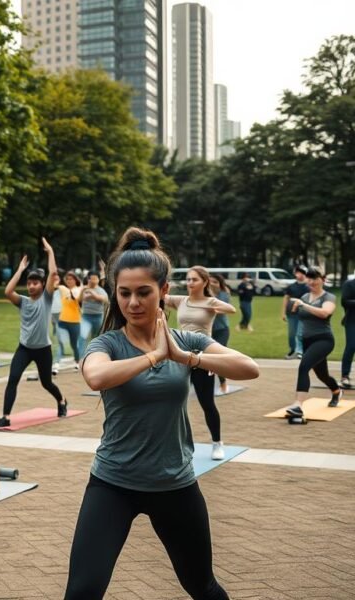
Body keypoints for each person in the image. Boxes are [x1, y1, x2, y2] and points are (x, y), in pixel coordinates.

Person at [65, 227, 259, 599]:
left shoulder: (186, 341)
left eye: (143, 292)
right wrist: (154, 355)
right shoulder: (107, 343)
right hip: (113, 484)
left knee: (202, 586)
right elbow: (96, 376)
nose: (133, 302)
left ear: (164, 291)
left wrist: (186, 357)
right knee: (82, 592)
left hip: (174, 485)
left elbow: (249, 367)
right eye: (124, 293)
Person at [0, 238, 68, 428]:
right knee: (13, 379)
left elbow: (52, 273)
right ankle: (6, 416)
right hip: (24, 348)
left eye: (35, 283)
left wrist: (50, 251)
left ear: (43, 285)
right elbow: (9, 290)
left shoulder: (47, 299)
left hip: (43, 349)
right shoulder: (23, 302)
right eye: (29, 283)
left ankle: (61, 401)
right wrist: (19, 270)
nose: (31, 286)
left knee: (46, 383)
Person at [165, 266, 236, 459]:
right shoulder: (181, 301)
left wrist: (210, 306)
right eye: (188, 279)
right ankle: (172, 444)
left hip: (202, 357)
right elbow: (159, 297)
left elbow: (231, 309)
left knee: (207, 402)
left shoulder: (210, 301)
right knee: (172, 401)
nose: (189, 283)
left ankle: (217, 444)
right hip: (179, 356)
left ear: (204, 282)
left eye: (194, 279)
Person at [284, 267, 343, 418]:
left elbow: (325, 313)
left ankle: (298, 405)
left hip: (324, 340)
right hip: (307, 341)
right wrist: (294, 307)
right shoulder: (304, 296)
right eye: (309, 278)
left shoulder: (328, 297)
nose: (311, 282)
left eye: (314, 278)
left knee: (304, 366)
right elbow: (298, 313)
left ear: (322, 279)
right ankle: (336, 391)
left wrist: (302, 305)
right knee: (322, 375)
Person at [209, 274, 233, 394]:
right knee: (207, 358)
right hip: (207, 331)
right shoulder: (204, 294)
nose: (212, 283)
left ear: (220, 284)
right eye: (210, 281)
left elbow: (219, 309)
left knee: (218, 357)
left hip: (222, 330)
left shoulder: (223, 294)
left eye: (215, 282)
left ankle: (223, 383)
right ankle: (209, 383)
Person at [78, 271, 108, 358]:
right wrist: (83, 291)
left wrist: (92, 294)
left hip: (98, 316)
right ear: (88, 279)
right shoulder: (84, 289)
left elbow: (104, 299)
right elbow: (80, 299)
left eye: (96, 278)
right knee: (83, 337)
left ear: (98, 279)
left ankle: (95, 356)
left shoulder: (101, 290)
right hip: (86, 316)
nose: (94, 280)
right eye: (92, 278)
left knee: (96, 338)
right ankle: (82, 357)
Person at [282, 266, 309, 359]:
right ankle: (293, 349)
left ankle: (300, 351)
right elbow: (286, 299)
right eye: (297, 273)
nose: (299, 275)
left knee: (300, 332)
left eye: (301, 273)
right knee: (292, 333)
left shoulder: (308, 286)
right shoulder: (292, 286)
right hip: (292, 313)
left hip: (304, 312)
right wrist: (283, 312)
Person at [58, 271, 83, 368]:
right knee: (60, 342)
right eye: (67, 279)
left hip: (74, 321)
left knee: (74, 344)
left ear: (75, 280)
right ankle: (56, 362)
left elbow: (76, 297)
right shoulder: (63, 289)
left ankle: (77, 361)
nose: (69, 281)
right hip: (62, 320)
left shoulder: (77, 290)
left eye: (71, 279)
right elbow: (54, 286)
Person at [341, 275, 355, 389]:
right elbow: (345, 301)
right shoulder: (349, 284)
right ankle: (345, 376)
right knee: (351, 346)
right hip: (352, 321)